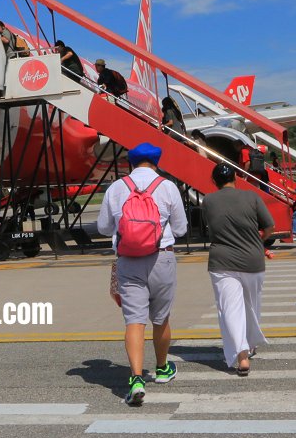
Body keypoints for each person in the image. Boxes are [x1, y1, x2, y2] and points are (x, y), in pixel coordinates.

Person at [96, 142, 188, 406]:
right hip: (162, 257)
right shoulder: (167, 186)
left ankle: (136, 378)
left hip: (128, 261)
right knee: (161, 318)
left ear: (131, 163)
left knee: (134, 321)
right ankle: (161, 369)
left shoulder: (116, 187)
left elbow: (103, 227)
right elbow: (180, 229)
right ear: (156, 162)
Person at [202, 162, 274, 376]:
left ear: (214, 181)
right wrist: (258, 240)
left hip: (222, 261)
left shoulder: (208, 200)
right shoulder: (252, 197)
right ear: (236, 177)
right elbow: (269, 226)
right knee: (252, 307)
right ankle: (249, 345)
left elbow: (210, 227)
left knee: (230, 310)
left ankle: (242, 357)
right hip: (253, 260)